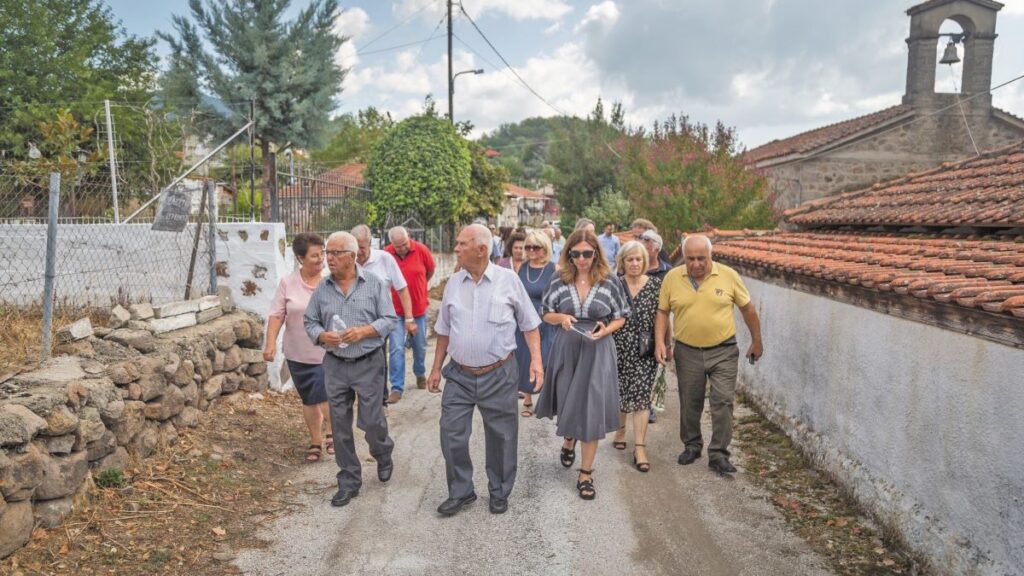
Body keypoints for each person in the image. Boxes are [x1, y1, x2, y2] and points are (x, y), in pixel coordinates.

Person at [427, 224, 543, 516]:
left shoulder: (508, 281)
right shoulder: (454, 282)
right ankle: (461, 491)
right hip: (460, 375)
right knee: (451, 433)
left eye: (461, 243)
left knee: (501, 436)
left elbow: (530, 324)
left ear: (481, 249)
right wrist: (436, 368)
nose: (455, 248)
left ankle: (499, 490)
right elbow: (443, 329)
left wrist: (537, 362)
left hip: (499, 373)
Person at [655, 234, 764, 475]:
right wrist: (659, 343)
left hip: (723, 350)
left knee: (723, 400)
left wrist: (757, 341)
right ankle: (692, 445)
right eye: (690, 259)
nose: (695, 264)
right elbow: (662, 312)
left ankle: (718, 454)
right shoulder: (672, 277)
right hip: (687, 350)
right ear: (684, 257)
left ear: (710, 256)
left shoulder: (728, 276)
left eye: (701, 258)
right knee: (690, 402)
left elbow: (748, 310)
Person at [304, 232, 397, 507]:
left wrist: (366, 332)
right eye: (326, 252)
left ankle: (382, 452)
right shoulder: (323, 288)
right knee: (340, 424)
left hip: (368, 361)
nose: (328, 258)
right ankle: (348, 480)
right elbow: (309, 321)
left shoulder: (375, 284)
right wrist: (322, 336)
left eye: (335, 253)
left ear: (352, 256)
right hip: (335, 364)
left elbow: (390, 319)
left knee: (371, 420)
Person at [535, 229, 628, 500]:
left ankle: (585, 473)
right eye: (576, 254)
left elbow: (621, 316)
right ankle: (568, 439)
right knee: (568, 401)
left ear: (596, 253)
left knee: (592, 408)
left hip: (598, 347)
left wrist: (606, 330)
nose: (582, 259)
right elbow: (546, 313)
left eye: (587, 253)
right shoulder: (559, 278)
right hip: (568, 346)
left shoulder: (610, 280)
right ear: (569, 254)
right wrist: (561, 318)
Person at [264, 232, 333, 463]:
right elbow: (276, 315)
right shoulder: (288, 283)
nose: (321, 258)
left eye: (322, 253)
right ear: (300, 258)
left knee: (324, 394)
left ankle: (333, 433)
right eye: (315, 255)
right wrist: (270, 343)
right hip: (297, 353)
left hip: (327, 352)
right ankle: (315, 441)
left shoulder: (330, 282)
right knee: (309, 399)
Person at [610, 241, 661, 472]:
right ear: (622, 262)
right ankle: (620, 430)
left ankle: (640, 447)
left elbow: (663, 318)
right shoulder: (614, 285)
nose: (634, 263)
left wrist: (664, 344)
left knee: (641, 396)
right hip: (617, 345)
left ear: (644, 262)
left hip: (644, 348)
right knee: (620, 390)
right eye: (629, 259)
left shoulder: (656, 285)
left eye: (638, 259)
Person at [351, 225, 416, 404]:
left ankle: (386, 394)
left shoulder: (385, 259)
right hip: (357, 321)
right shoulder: (349, 261)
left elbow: (402, 289)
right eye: (355, 247)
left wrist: (409, 318)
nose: (359, 252)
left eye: (362, 247)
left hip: (383, 320)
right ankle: (369, 396)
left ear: (370, 243)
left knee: (387, 353)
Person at [384, 226, 435, 391]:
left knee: (419, 346)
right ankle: (397, 387)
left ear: (409, 237)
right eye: (398, 246)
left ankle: (420, 373)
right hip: (395, 310)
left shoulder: (421, 250)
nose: (402, 248)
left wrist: (419, 286)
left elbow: (430, 270)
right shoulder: (386, 254)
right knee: (396, 348)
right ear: (391, 243)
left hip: (418, 309)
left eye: (405, 244)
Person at [515, 229, 557, 418]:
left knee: (546, 358)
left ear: (545, 248)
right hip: (524, 319)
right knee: (525, 358)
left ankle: (545, 398)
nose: (531, 250)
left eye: (536, 247)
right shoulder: (522, 267)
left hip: (546, 319)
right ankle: (527, 398)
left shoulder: (554, 268)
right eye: (528, 246)